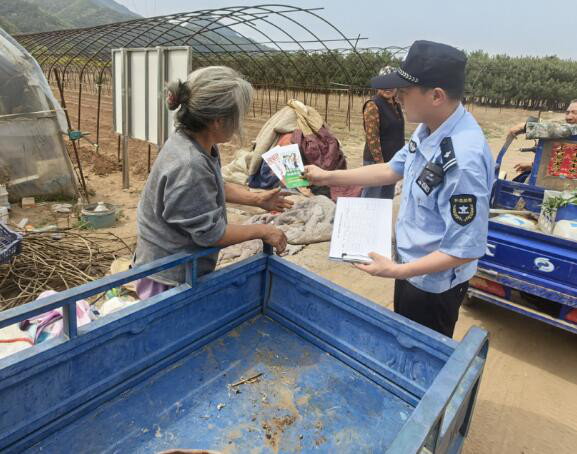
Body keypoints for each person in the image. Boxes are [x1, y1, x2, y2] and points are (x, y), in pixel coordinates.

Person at [304, 41, 495, 338]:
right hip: (409, 269)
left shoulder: (463, 160)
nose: (398, 97)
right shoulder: (430, 127)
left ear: (436, 96)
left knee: (421, 354)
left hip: (432, 287)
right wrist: (328, 176)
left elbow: (463, 249)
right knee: (403, 340)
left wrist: (396, 271)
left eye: (405, 91)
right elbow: (391, 169)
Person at [134, 66, 291, 300]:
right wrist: (262, 231)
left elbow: (212, 186)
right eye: (238, 116)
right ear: (218, 121)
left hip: (177, 265)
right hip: (168, 277)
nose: (240, 122)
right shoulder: (190, 164)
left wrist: (257, 199)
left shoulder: (196, 143)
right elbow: (211, 235)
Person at [361, 66, 405, 199]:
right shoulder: (373, 105)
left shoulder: (396, 105)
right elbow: (372, 138)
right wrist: (381, 164)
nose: (388, 88)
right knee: (371, 199)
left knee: (386, 199)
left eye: (391, 84)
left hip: (392, 161)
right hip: (376, 162)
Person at [509, 99, 577, 175]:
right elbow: (565, 163)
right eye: (567, 113)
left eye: (574, 113)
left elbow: (564, 129)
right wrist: (532, 165)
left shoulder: (569, 130)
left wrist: (525, 127)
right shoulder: (570, 136)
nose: (568, 117)